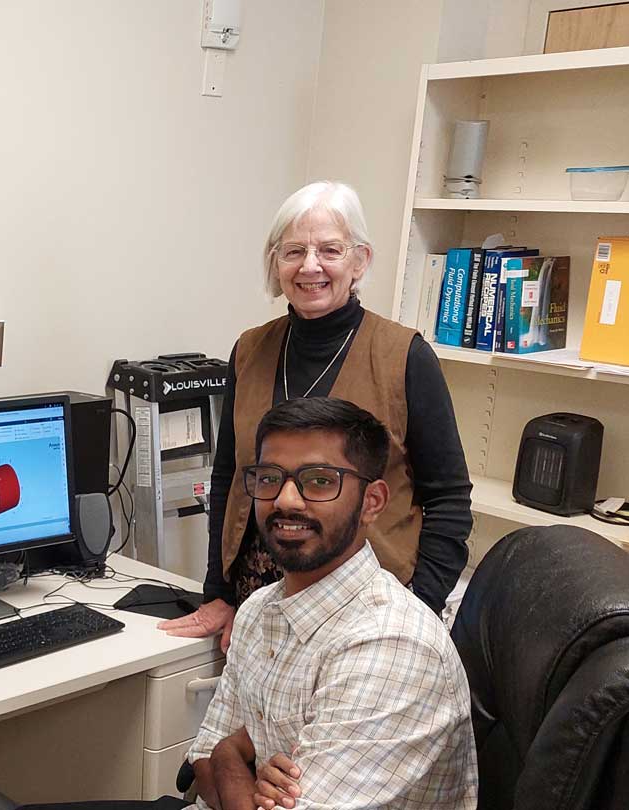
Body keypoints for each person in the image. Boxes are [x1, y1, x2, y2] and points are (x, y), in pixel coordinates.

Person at [160, 181, 472, 653]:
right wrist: (219, 593)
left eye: (330, 249)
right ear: (276, 263)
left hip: (366, 613)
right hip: (256, 606)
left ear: (359, 261)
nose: (310, 266)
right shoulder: (250, 350)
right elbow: (229, 478)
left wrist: (418, 607)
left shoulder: (405, 357)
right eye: (294, 251)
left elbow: (449, 498)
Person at [188, 398, 476, 810]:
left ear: (372, 502)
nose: (286, 500)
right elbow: (204, 758)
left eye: (320, 481)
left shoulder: (391, 644)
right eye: (269, 478)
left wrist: (230, 756)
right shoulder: (258, 610)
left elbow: (220, 763)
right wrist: (227, 755)